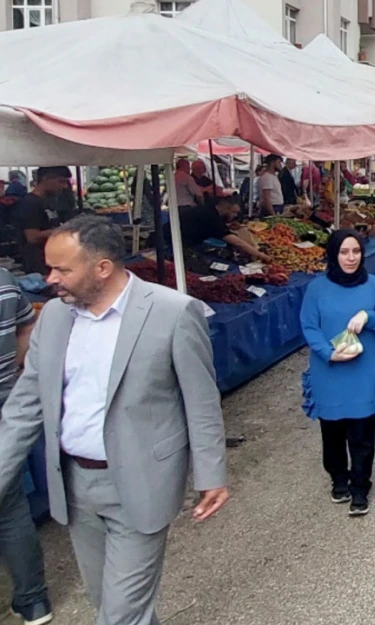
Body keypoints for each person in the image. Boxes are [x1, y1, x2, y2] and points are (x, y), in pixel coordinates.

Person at [0, 216, 229, 625]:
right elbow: (24, 405)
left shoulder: (172, 312)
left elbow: (201, 400)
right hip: (74, 486)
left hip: (141, 482)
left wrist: (211, 473)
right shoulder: (54, 317)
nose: (49, 277)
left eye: (62, 269)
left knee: (120, 616)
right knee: (109, 603)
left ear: (102, 267)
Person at [300, 230, 375, 516]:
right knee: (332, 432)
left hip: (364, 369)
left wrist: (368, 316)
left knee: (363, 433)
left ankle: (361, 486)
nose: (351, 258)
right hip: (330, 370)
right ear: (333, 255)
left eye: (356, 252)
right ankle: (339, 478)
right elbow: (309, 326)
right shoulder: (317, 288)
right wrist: (328, 353)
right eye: (344, 252)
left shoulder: (374, 284)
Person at [0, 267, 52, 625]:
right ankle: (34, 601)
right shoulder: (3, 279)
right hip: (6, 405)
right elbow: (27, 328)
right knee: (10, 504)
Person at [179, 194, 271, 263]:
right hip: (176, 244)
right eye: (234, 212)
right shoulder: (212, 218)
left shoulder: (209, 209)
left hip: (182, 238)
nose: (235, 216)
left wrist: (227, 226)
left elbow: (206, 227)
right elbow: (238, 243)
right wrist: (261, 255)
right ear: (225, 207)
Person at [13, 166, 68, 275]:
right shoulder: (29, 204)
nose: (65, 186)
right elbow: (32, 237)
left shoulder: (48, 202)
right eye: (61, 181)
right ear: (46, 178)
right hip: (38, 267)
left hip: (51, 263)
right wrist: (65, 229)